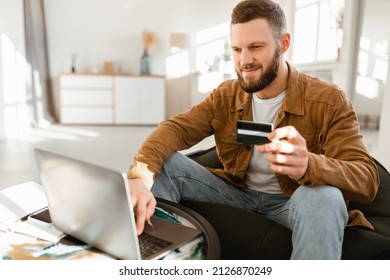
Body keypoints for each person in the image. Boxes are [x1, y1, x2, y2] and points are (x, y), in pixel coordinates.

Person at [127, 0, 379, 259]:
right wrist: (139, 177)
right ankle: (156, 260)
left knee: (325, 197)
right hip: (238, 194)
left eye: (255, 47)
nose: (244, 61)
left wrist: (309, 165)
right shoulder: (225, 95)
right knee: (165, 166)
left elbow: (367, 179)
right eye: (237, 49)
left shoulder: (329, 100)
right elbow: (175, 129)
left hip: (291, 203)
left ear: (283, 43)